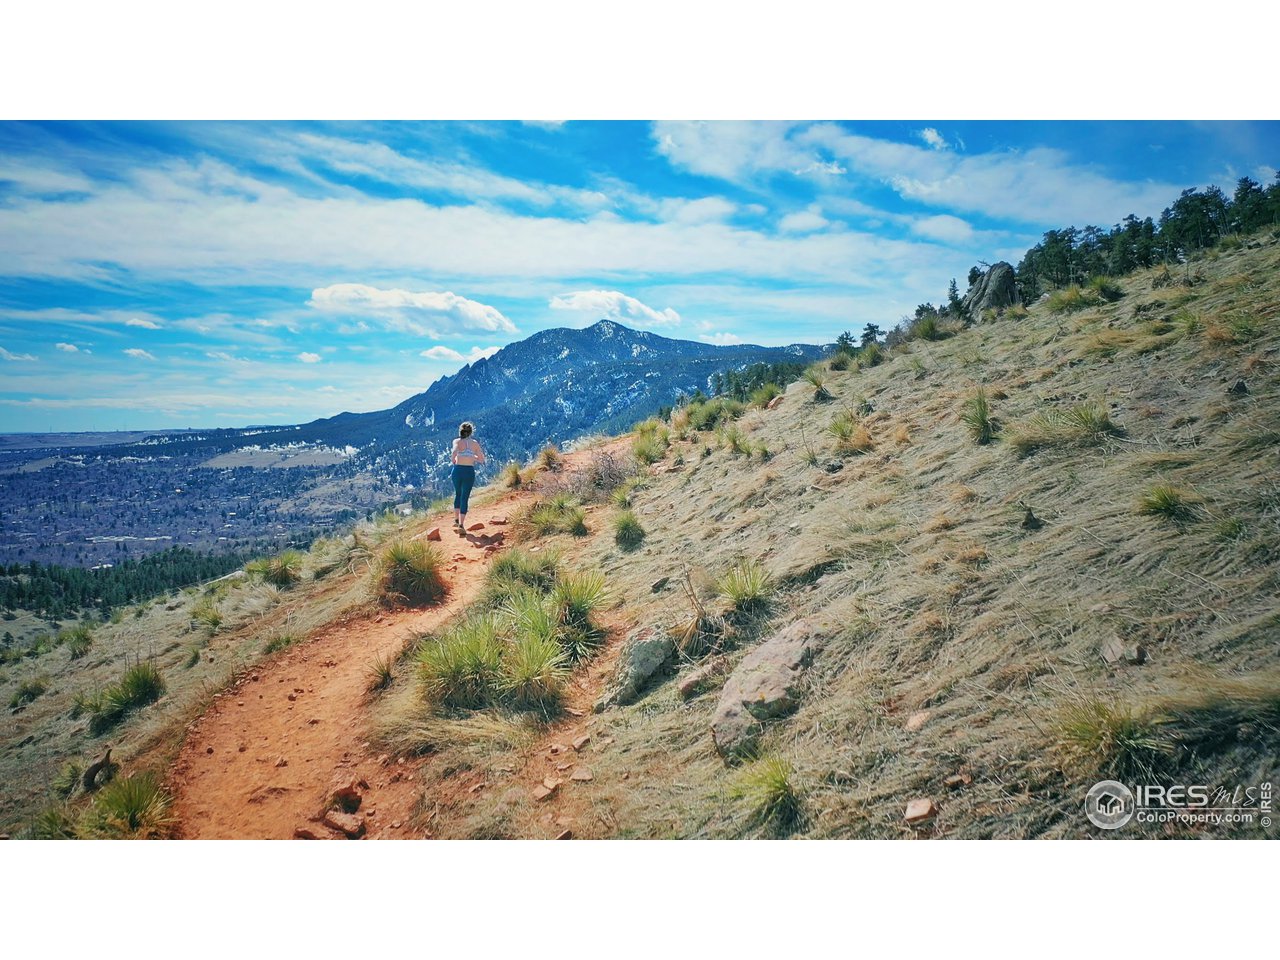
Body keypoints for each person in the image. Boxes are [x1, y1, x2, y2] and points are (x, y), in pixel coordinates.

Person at [450, 421, 485, 531]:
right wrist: (471, 456)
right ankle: (461, 524)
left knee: (458, 494)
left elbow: (454, 452)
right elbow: (481, 459)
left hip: (457, 470)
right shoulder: (474, 443)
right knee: (464, 497)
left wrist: (454, 460)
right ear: (471, 432)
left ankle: (456, 520)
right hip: (469, 471)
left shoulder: (456, 441)